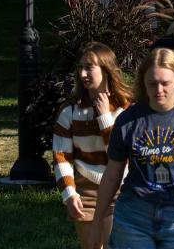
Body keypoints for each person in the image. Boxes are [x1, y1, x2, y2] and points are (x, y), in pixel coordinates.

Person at [88, 48, 174, 249]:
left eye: (165, 83)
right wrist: (97, 223)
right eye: (152, 83)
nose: (159, 90)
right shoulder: (127, 121)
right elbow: (112, 175)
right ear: (143, 82)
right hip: (134, 215)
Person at [53, 42, 133, 249]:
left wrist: (105, 117)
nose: (82, 74)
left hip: (119, 188)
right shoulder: (70, 110)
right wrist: (69, 194)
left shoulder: (127, 108)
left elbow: (121, 155)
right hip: (85, 191)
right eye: (80, 67)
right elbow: (61, 156)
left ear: (106, 69)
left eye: (89, 67)